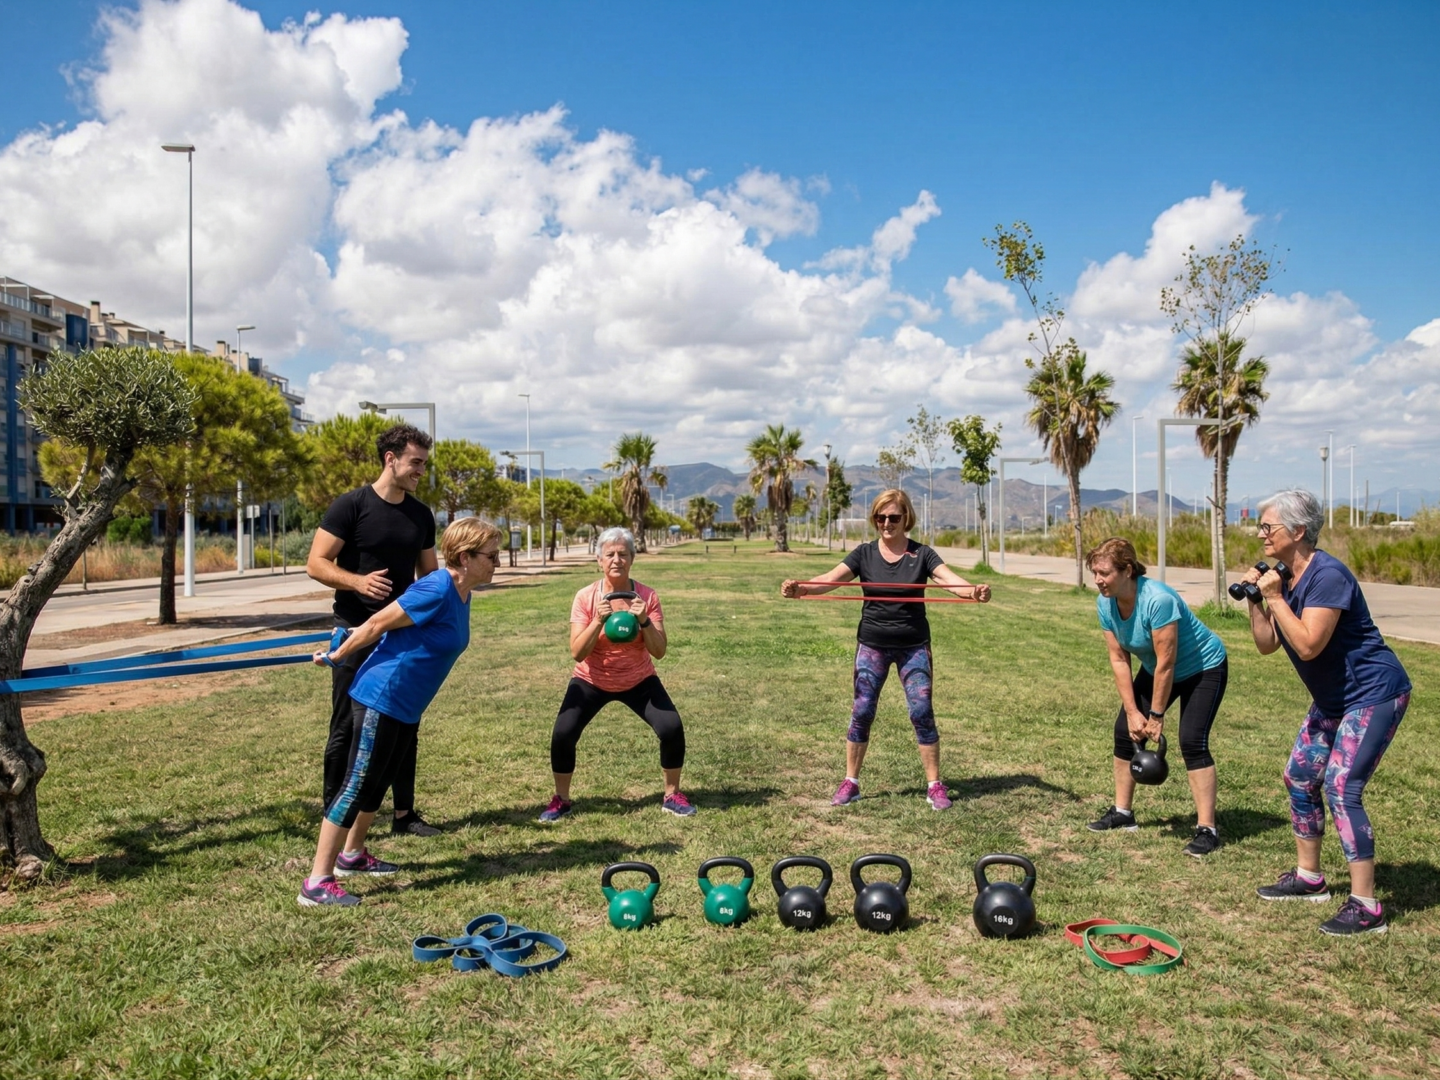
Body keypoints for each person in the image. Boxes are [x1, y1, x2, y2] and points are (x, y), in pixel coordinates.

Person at [298, 517, 501, 907]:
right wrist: (338, 655)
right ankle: (316, 882)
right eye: (491, 556)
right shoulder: (436, 587)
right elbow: (376, 623)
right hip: (382, 697)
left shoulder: (463, 592)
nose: (497, 563)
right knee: (357, 784)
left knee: (378, 782)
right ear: (464, 556)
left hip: (407, 706)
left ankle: (352, 856)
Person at [1242, 490, 1411, 935]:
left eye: (1268, 527)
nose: (1261, 534)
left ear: (1297, 532)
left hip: (1374, 694)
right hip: (1335, 701)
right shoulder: (1286, 578)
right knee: (1299, 776)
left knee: (1341, 786)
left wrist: (1276, 598)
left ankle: (1366, 906)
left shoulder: (1328, 576)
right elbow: (1266, 645)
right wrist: (1257, 603)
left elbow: (1310, 644)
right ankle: (1309, 877)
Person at [781, 488, 990, 810]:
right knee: (862, 711)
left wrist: (973, 592)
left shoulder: (922, 554)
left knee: (921, 712)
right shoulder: (864, 553)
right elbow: (831, 579)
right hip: (872, 646)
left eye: (893, 517)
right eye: (881, 517)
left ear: (906, 518)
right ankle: (851, 783)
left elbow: (950, 581)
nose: (887, 523)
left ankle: (935, 785)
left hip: (913, 647)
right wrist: (801, 589)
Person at [306, 423, 441, 837]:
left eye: (423, 463)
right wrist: (357, 581)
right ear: (391, 458)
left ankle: (404, 816)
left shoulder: (420, 514)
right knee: (346, 725)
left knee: (404, 724)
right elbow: (316, 564)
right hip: (354, 631)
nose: (421, 471)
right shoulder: (351, 505)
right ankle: (334, 814)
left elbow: (429, 576)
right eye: (415, 462)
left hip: (400, 636)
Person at [1084, 538, 1229, 857]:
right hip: (1158, 668)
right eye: (1094, 572)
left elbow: (1168, 662)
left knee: (1192, 740)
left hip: (1202, 667)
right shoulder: (1105, 603)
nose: (1097, 580)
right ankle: (1123, 813)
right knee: (1124, 730)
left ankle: (1207, 829)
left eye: (1104, 573)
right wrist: (1134, 711)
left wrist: (1156, 716)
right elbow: (1119, 659)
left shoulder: (1158, 600)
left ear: (1127, 570)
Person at [538, 526, 693, 822]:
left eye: (623, 554)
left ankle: (672, 795)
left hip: (638, 679)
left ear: (633, 559)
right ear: (599, 560)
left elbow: (659, 651)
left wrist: (645, 619)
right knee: (563, 732)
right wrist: (597, 620)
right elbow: (577, 652)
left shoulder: (646, 596)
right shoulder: (585, 597)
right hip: (591, 679)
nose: (616, 560)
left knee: (671, 726)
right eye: (609, 554)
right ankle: (562, 799)